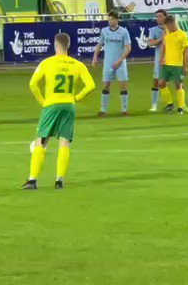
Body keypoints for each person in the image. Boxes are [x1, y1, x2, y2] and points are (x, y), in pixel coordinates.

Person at [21, 32, 95, 190]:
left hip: (51, 105)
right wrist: (76, 98)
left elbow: (32, 84)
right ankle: (59, 180)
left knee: (41, 141)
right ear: (68, 45)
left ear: (55, 45)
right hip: (68, 105)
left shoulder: (47, 63)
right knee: (64, 142)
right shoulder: (77, 65)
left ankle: (32, 180)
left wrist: (42, 101)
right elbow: (91, 86)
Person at [91, 11, 131, 116]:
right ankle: (103, 110)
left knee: (123, 86)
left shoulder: (123, 32)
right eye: (109, 19)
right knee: (106, 86)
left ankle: (124, 110)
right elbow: (99, 45)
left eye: (112, 19)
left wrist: (119, 61)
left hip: (120, 64)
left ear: (117, 20)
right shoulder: (104, 31)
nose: (110, 21)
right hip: (108, 63)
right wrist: (95, 56)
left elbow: (128, 48)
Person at [160, 15, 188, 115]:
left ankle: (180, 107)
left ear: (173, 23)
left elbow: (186, 52)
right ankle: (170, 104)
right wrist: (161, 58)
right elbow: (164, 46)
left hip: (177, 65)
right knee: (161, 83)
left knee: (178, 85)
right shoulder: (167, 34)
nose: (167, 28)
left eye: (168, 26)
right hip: (166, 64)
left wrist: (185, 66)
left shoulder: (182, 35)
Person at [145, 10, 174, 113]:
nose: (158, 18)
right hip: (160, 60)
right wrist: (162, 38)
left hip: (173, 59)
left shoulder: (173, 29)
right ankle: (154, 104)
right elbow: (150, 43)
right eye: (157, 16)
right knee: (157, 81)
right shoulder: (153, 30)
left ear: (166, 17)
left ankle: (182, 105)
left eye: (160, 16)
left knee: (178, 82)